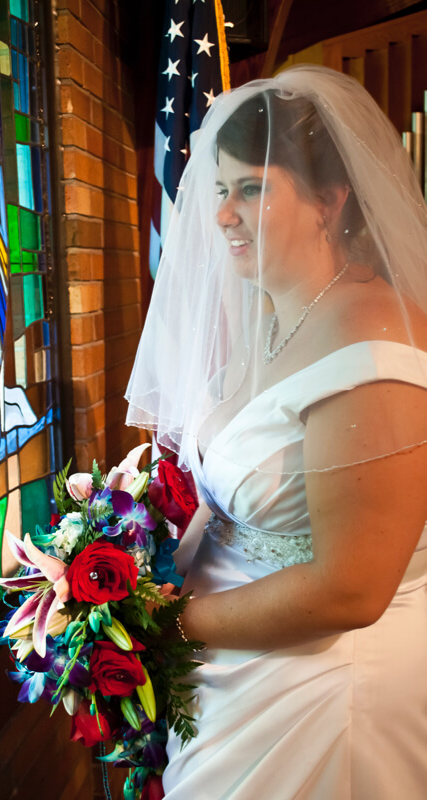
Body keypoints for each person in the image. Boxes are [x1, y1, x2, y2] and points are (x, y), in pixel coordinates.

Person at [126, 65, 427, 799]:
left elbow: (352, 589)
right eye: (219, 189)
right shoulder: (267, 314)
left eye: (252, 188)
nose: (223, 213)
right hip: (235, 667)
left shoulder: (372, 342)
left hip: (323, 688)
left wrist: (164, 624)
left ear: (330, 201)